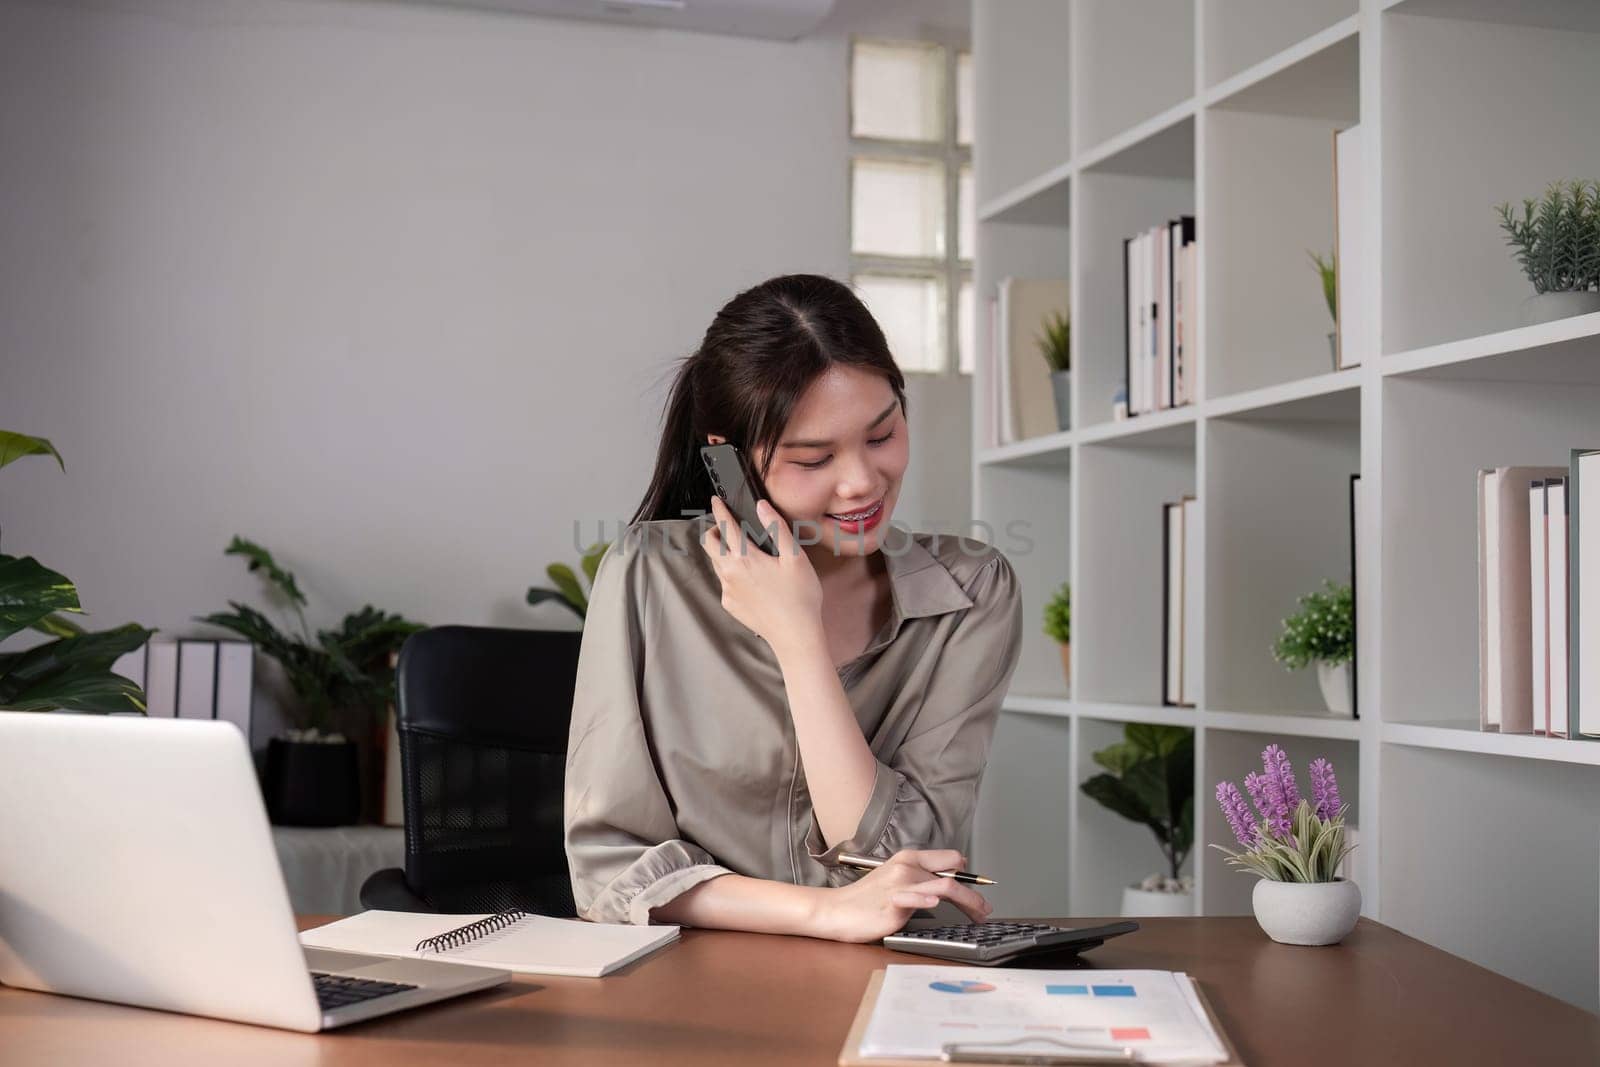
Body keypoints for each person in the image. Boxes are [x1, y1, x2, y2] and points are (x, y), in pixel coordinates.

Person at [562, 273, 1024, 943]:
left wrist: (797, 636)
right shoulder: (649, 576)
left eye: (881, 434)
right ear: (728, 462)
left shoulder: (971, 591)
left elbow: (902, 859)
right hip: (696, 988)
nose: (862, 480)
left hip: (895, 990)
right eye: (813, 458)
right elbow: (610, 869)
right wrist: (826, 912)